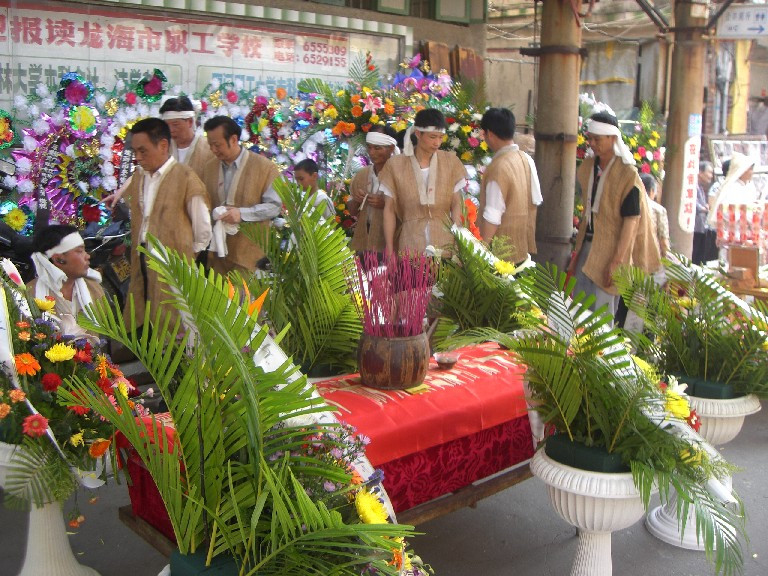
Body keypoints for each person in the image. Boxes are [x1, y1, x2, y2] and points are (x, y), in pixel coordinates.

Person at [121, 117, 212, 329]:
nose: (138, 157)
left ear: (163, 145)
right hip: (142, 257)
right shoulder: (139, 177)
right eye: (135, 152)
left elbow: (203, 227)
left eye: (143, 151)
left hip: (175, 263)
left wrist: (189, 254)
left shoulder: (185, 176)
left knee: (176, 321)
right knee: (146, 312)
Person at [569, 112, 660, 315]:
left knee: (602, 313)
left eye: (597, 139)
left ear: (612, 138)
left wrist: (617, 260)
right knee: (579, 309)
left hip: (612, 249)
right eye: (590, 138)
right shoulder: (588, 167)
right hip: (588, 246)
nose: (592, 143)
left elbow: (632, 220)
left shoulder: (627, 174)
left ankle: (600, 348)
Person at [380, 108, 467, 255]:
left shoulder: (451, 162)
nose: (437, 143)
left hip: (445, 244)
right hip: (410, 244)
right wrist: (389, 247)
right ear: (418, 134)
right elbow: (389, 209)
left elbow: (457, 203)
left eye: (441, 137)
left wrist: (459, 240)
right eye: (433, 137)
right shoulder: (395, 165)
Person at [202, 115, 281, 276]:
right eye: (210, 145)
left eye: (217, 145)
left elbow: (274, 206)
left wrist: (242, 214)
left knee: (243, 300)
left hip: (249, 255)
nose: (213, 150)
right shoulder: (209, 167)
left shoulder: (265, 167)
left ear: (233, 139)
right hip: (217, 254)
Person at [477, 107, 543, 264]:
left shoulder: (499, 167)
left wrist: (482, 250)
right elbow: (536, 200)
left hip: (500, 257)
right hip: (521, 249)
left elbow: (493, 215)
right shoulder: (526, 159)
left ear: (490, 134)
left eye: (484, 134)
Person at [28, 224, 104, 339]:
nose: (87, 256)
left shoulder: (94, 290)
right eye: (80, 251)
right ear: (59, 259)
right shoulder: (30, 295)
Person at [348, 125, 399, 256]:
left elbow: (412, 212)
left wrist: (386, 204)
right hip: (364, 242)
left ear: (391, 148)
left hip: (392, 244)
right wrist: (356, 201)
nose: (371, 153)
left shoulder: (401, 175)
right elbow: (352, 210)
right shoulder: (361, 175)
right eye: (369, 147)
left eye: (377, 148)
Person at [159, 95, 215, 179]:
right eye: (167, 125)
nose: (171, 130)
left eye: (175, 124)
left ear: (190, 121)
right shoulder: (163, 148)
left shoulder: (209, 148)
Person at [640, 173, 669, 258]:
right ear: (652, 191)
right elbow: (663, 241)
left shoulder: (629, 206)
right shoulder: (659, 210)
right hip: (651, 257)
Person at [692, 160, 714, 264]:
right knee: (695, 255)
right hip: (695, 227)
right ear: (700, 172)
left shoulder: (700, 187)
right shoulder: (693, 186)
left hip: (700, 227)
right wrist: (704, 208)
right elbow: (692, 203)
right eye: (709, 172)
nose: (711, 176)